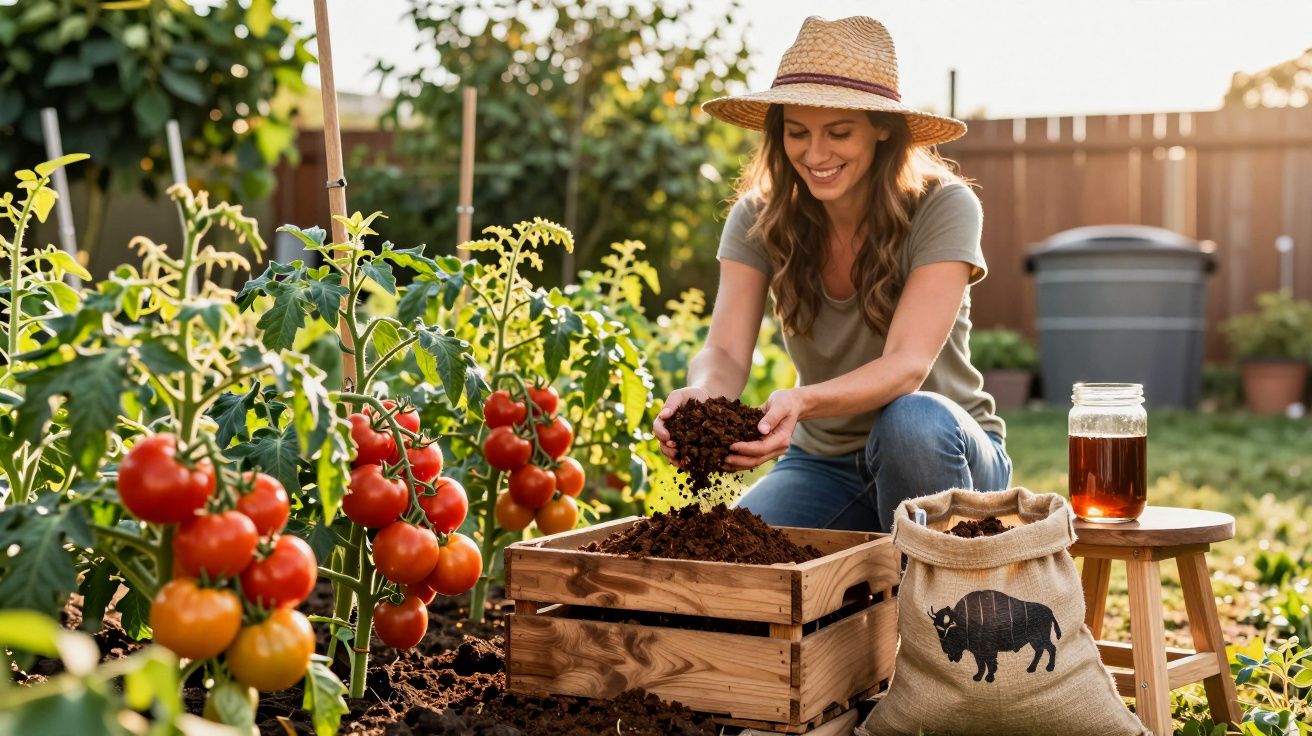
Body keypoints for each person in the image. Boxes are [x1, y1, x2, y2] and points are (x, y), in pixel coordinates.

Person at [652, 16, 1012, 533]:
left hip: (941, 449)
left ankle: (941, 579)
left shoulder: (943, 206)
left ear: (882, 128)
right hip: (823, 463)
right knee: (741, 549)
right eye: (797, 132)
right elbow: (726, 351)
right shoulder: (758, 217)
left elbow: (906, 366)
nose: (815, 154)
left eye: (839, 132)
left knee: (910, 419)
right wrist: (701, 396)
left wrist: (800, 402)